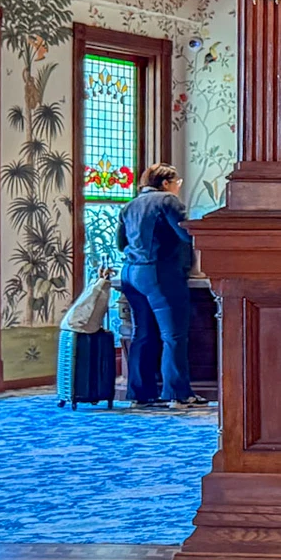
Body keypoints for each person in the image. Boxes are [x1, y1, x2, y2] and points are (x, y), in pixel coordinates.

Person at [115, 163, 206, 410]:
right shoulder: (168, 201)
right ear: (166, 183)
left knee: (142, 334)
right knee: (173, 335)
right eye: (177, 183)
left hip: (131, 274)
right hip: (159, 272)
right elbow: (188, 235)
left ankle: (140, 394)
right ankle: (177, 395)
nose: (178, 188)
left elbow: (120, 243)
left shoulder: (129, 205)